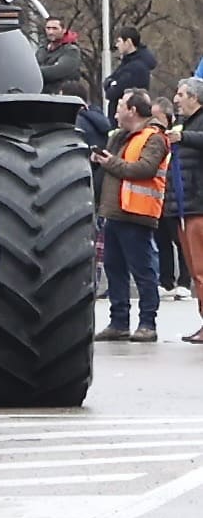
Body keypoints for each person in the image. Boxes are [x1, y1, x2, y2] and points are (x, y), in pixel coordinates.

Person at [105, 90, 172, 342]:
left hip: (137, 213)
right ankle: (119, 322)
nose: (116, 111)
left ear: (133, 110)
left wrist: (110, 162)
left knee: (143, 271)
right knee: (115, 269)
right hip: (116, 212)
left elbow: (145, 168)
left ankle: (147, 323)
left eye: (120, 106)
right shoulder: (122, 137)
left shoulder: (154, 138)